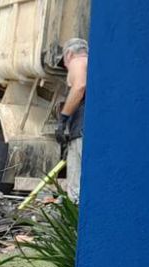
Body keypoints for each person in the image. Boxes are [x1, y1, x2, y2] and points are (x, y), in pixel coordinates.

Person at [56, 38, 88, 202]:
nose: (66, 67)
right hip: (90, 128)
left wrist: (63, 120)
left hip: (81, 129)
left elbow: (79, 86)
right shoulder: (93, 63)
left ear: (69, 54)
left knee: (76, 187)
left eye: (64, 63)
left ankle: (75, 222)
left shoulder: (78, 61)